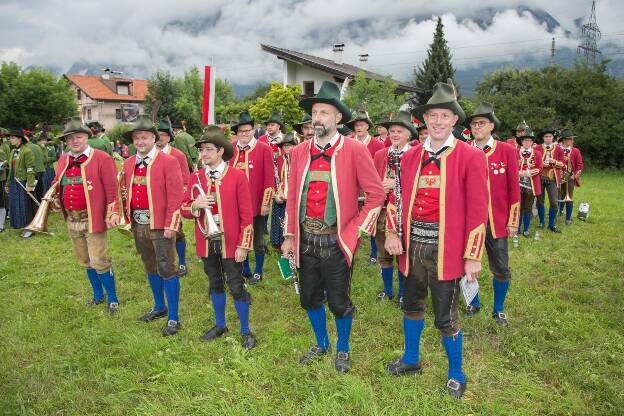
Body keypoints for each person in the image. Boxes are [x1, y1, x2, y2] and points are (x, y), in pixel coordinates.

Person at [383, 82, 488, 399]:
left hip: (448, 251)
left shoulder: (470, 156)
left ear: (455, 120)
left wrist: (472, 255)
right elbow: (396, 199)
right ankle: (411, 360)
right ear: (424, 120)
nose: (438, 121)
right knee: (412, 305)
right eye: (433, 115)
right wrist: (390, 231)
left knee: (446, 316)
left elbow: (478, 211)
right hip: (412, 248)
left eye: (445, 115)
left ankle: (456, 373)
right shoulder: (410, 156)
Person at [281, 80, 384, 373]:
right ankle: (321, 343)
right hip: (305, 240)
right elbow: (291, 198)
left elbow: (376, 194)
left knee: (339, 301)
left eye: (324, 112)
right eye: (315, 112)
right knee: (309, 297)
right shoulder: (298, 152)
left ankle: (342, 348)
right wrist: (289, 235)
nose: (317, 118)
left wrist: (354, 232)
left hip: (337, 241)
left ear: (338, 118)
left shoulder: (354, 150)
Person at [181, 125, 256, 349]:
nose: (203, 154)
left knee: (236, 285)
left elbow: (247, 215)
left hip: (232, 243)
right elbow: (184, 209)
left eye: (208, 150)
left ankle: (245, 330)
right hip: (207, 242)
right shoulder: (196, 177)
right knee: (214, 283)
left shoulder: (237, 176)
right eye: (201, 150)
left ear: (221, 151)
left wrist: (244, 245)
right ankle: (220, 324)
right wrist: (195, 205)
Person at [119, 115, 184, 336]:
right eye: (136, 138)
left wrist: (171, 225)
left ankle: (174, 317)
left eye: (144, 137)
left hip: (161, 224)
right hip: (139, 223)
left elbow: (176, 196)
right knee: (150, 266)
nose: (140, 142)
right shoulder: (128, 163)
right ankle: (159, 306)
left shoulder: (169, 161)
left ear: (154, 138)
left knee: (167, 268)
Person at [52, 117, 121, 313]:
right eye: (70, 138)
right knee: (85, 260)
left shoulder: (102, 158)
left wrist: (112, 212)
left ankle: (113, 298)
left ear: (86, 138)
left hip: (94, 219)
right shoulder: (64, 159)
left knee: (99, 260)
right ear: (66, 141)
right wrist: (55, 198)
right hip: (72, 219)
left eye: (79, 137)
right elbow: (57, 183)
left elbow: (112, 189)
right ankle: (98, 295)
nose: (75, 141)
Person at [463, 103, 520, 326]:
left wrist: (512, 220)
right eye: (474, 123)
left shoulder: (507, 151)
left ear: (492, 126)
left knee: (501, 267)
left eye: (482, 123)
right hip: (468, 221)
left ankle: (498, 309)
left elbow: (514, 188)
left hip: (496, 221)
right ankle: (473, 302)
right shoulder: (463, 149)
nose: (477, 127)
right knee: (466, 263)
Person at [372, 111, 418, 305]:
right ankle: (388, 290)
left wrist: (396, 184)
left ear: (409, 134)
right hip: (383, 211)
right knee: (383, 252)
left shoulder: (416, 154)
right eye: (392, 131)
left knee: (404, 253)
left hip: (407, 214)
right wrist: (379, 185)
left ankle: (403, 293)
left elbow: (418, 186)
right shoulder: (380, 154)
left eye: (400, 130)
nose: (395, 134)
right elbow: (372, 182)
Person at [229, 111, 274, 284]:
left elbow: (269, 178)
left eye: (248, 130)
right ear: (237, 133)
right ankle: (245, 268)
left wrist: (266, 203)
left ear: (254, 130)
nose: (245, 134)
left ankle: (258, 271)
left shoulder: (264, 149)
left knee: (258, 239)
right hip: (235, 204)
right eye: (241, 131)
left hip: (256, 204)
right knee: (241, 236)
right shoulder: (231, 148)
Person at [345, 109, 384, 264]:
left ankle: (374, 252)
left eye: (362, 125)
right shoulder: (348, 143)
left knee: (372, 219)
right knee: (351, 219)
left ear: (368, 127)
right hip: (352, 187)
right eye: (356, 126)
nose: (359, 128)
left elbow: (380, 167)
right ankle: (350, 246)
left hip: (369, 188)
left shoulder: (377, 144)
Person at [157, 118, 191, 276]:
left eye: (163, 135)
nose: (160, 138)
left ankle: (182, 262)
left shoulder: (178, 155)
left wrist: (180, 202)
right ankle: (161, 261)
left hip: (173, 201)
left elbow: (185, 180)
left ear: (169, 137)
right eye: (157, 134)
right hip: (155, 201)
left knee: (177, 232)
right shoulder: (149, 155)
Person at [5, 129, 36, 238]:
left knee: (25, 205)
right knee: (16, 204)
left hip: (23, 182)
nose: (10, 140)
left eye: (13, 138)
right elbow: (10, 170)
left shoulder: (27, 151)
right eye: (10, 138)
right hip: (14, 182)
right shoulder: (13, 151)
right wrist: (7, 184)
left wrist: (30, 184)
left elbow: (30, 168)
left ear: (19, 139)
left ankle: (29, 228)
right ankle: (21, 225)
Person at [270, 132, 297, 250]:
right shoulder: (278, 161)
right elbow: (273, 179)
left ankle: (295, 245)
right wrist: (277, 193)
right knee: (279, 221)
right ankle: (279, 245)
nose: (287, 148)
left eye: (290, 145)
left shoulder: (300, 160)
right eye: (285, 146)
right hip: (281, 197)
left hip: (295, 198)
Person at [536, 127, 565, 232]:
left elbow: (563, 164)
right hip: (539, 178)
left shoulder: (558, 149)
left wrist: (554, 162)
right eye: (546, 136)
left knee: (554, 202)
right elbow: (533, 162)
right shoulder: (537, 148)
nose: (548, 138)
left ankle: (552, 225)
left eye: (550, 136)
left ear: (553, 137)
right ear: (543, 138)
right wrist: (541, 163)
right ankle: (541, 222)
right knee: (540, 201)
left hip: (552, 179)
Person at [517, 128, 543, 237]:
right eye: (525, 140)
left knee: (528, 208)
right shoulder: (515, 152)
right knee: (518, 207)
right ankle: (517, 229)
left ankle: (526, 229)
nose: (527, 142)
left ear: (532, 142)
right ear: (522, 142)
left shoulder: (537, 153)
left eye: (529, 140)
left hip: (531, 185)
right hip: (517, 184)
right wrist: (518, 172)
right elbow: (511, 166)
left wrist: (527, 173)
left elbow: (540, 168)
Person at [557, 130, 584, 225]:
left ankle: (568, 218)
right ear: (564, 140)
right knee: (559, 195)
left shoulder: (575, 151)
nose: (572, 141)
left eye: (572, 139)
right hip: (558, 176)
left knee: (569, 197)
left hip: (570, 177)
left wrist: (575, 175)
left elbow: (580, 165)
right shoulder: (557, 149)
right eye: (570, 139)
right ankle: (559, 212)